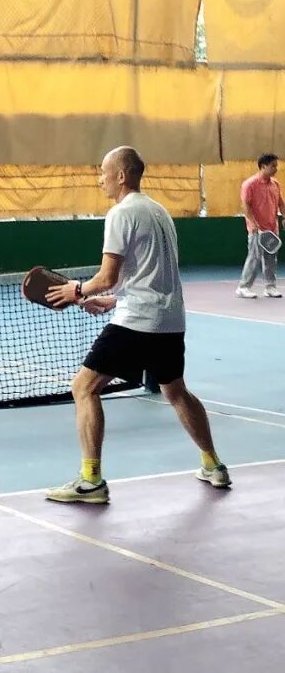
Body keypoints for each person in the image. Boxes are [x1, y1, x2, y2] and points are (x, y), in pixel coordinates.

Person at [44, 146, 230, 504]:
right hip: (169, 320)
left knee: (83, 387)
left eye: (103, 172)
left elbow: (107, 276)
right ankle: (214, 465)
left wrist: (77, 290)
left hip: (138, 322)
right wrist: (112, 301)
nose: (99, 179)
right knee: (176, 392)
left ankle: (91, 481)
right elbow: (151, 276)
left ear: (121, 175)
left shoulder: (120, 213)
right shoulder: (159, 212)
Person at [236, 153, 284, 299]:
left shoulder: (275, 184)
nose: (276, 169)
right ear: (263, 166)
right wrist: (254, 224)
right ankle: (243, 287)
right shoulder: (249, 184)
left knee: (271, 259)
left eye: (276, 166)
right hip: (256, 229)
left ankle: (270, 287)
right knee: (254, 258)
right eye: (273, 166)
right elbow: (245, 206)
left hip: (272, 228)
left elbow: (281, 203)